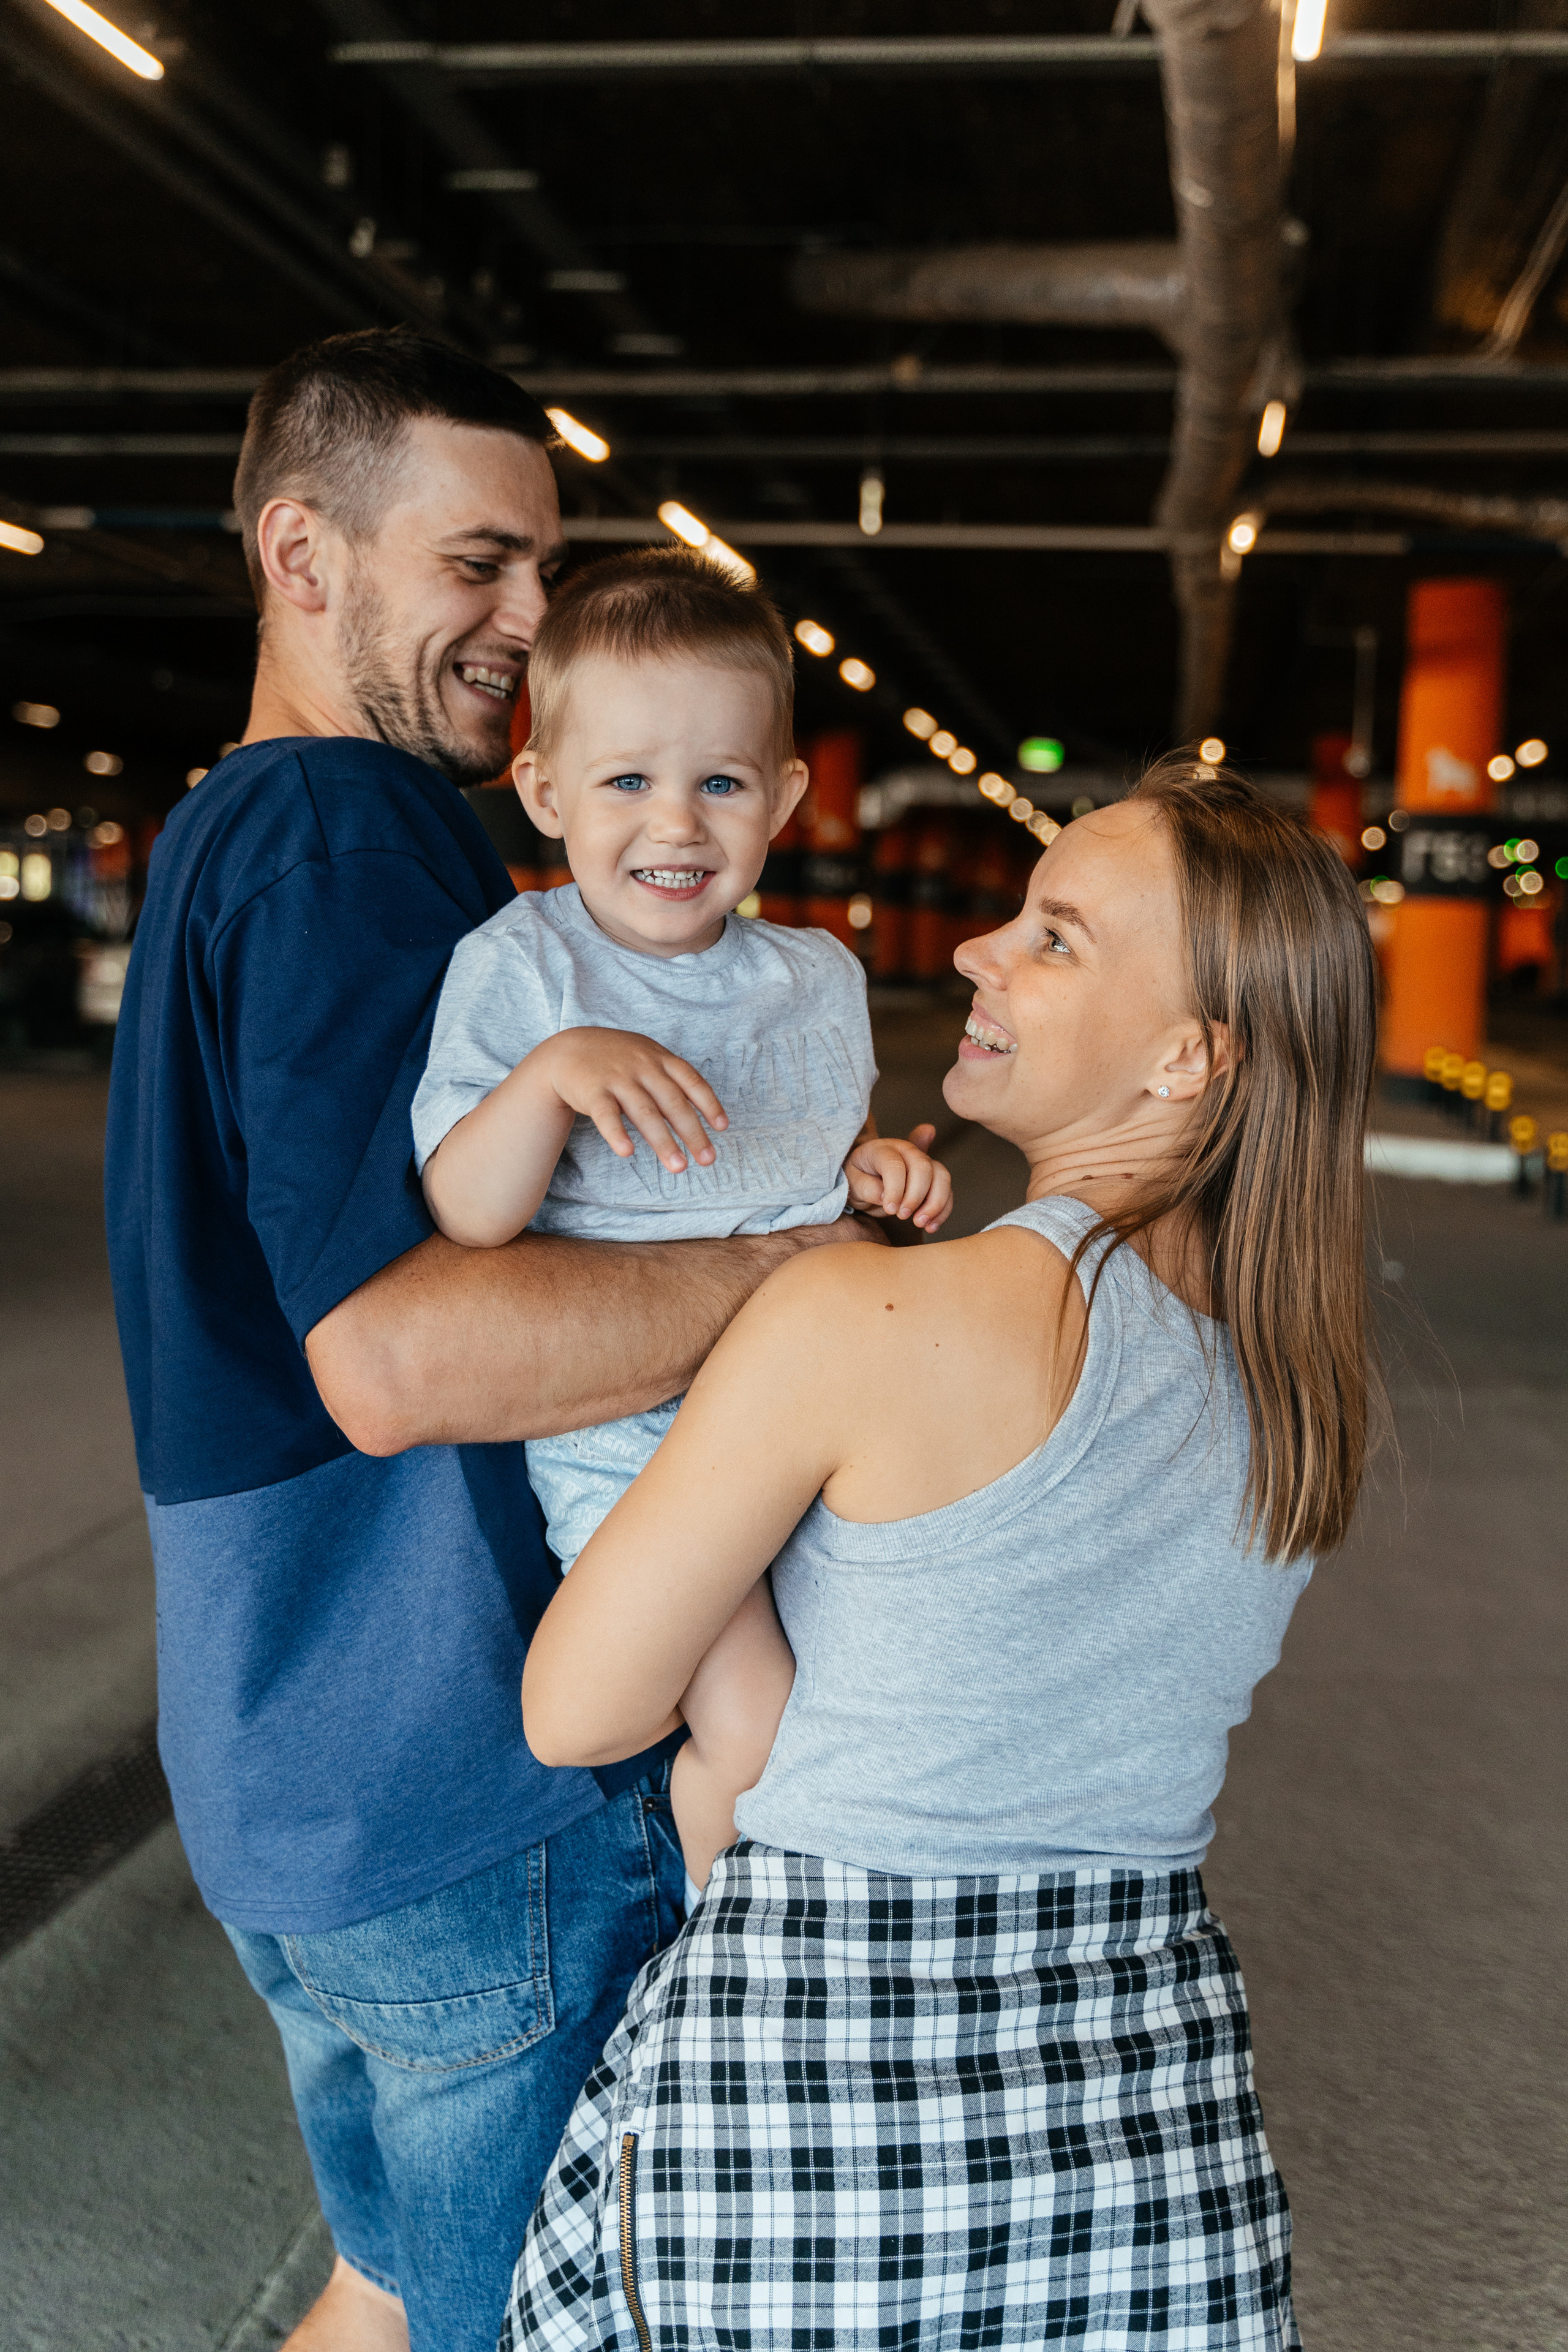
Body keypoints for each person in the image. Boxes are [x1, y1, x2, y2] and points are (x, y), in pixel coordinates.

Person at [104, 328, 874, 2352]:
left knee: (390, 2299)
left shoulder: (241, 830)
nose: (531, 616)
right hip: (454, 1763)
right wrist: (804, 1278)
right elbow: (398, 1359)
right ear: (303, 555)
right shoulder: (343, 837)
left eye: (544, 565)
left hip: (295, 1762)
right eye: (478, 564)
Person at [500, 757, 1379, 2350]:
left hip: (811, 2116)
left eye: (1054, 937)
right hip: (1150, 2122)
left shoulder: (866, 1316)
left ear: (1188, 1056)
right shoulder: (1300, 1389)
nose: (979, 949)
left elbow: (579, 1709)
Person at [412, 548, 951, 1893]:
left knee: (884, 1703)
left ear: (784, 799)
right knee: (756, 1724)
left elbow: (806, 1178)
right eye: (626, 783)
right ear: (544, 792)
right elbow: (467, 1213)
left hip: (826, 1419)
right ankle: (727, 1959)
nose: (677, 825)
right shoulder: (525, 965)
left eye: (720, 784)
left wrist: (876, 1172)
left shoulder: (814, 975)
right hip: (635, 1445)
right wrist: (549, 1079)